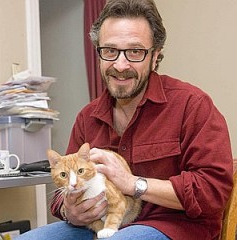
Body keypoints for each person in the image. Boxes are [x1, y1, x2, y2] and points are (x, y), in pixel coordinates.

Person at [16, 0, 233, 239]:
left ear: (155, 56)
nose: (120, 65)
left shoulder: (192, 105)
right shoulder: (87, 117)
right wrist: (70, 212)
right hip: (99, 225)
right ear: (98, 53)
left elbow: (213, 192)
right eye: (110, 51)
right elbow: (63, 193)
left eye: (135, 52)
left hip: (173, 227)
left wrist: (133, 184)